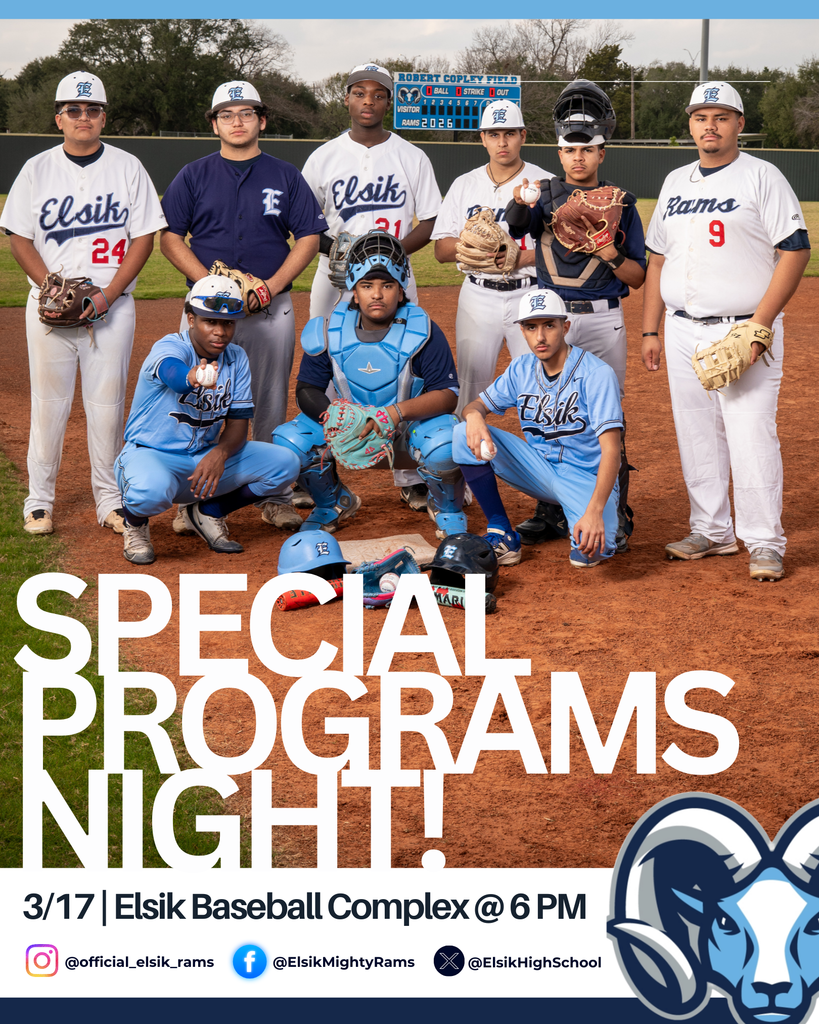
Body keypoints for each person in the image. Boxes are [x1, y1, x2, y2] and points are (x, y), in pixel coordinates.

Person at [642, 82, 810, 582]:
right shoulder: (675, 181)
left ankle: (764, 541)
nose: (709, 125)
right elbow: (658, 259)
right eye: (700, 117)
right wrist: (650, 329)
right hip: (679, 328)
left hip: (742, 328)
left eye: (720, 116)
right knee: (696, 433)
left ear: (739, 123)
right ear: (690, 125)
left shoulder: (763, 176)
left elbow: (795, 250)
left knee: (750, 433)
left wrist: (761, 325)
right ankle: (712, 531)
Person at [0, 71, 166, 536]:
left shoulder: (129, 167)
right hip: (49, 311)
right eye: (74, 109)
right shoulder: (36, 168)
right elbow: (19, 237)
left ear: (103, 117)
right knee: (47, 403)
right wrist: (52, 287)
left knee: (107, 406)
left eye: (92, 109)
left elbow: (144, 238)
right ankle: (39, 500)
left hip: (113, 310)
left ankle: (109, 500)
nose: (83, 117)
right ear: (59, 118)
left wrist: (108, 295)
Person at [159, 80, 326, 531]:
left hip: (270, 307)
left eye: (247, 113)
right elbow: (170, 237)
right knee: (197, 398)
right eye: (228, 115)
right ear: (214, 124)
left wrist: (270, 285)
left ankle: (271, 494)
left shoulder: (285, 175)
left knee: (269, 399)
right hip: (207, 308)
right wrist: (210, 284)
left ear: (262, 120)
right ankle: (190, 498)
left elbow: (308, 237)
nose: (238, 121)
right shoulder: (193, 174)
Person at [504, 79, 645, 553]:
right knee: (546, 412)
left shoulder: (622, 203)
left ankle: (617, 511)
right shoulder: (541, 194)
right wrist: (520, 200)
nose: (577, 158)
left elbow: (639, 275)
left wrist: (608, 252)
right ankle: (552, 508)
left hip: (604, 318)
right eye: (569, 150)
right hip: (553, 317)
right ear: (559, 153)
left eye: (587, 150)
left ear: (601, 152)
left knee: (607, 418)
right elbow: (516, 226)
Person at [301, 62, 442, 513]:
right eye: (359, 93)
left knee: (404, 370)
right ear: (346, 99)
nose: (368, 101)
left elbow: (433, 220)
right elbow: (303, 222)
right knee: (326, 366)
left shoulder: (410, 155)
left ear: (389, 102)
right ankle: (325, 470)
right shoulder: (323, 156)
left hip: (394, 279)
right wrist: (342, 254)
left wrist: (388, 257)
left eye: (378, 94)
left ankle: (408, 473)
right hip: (333, 277)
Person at [272, 231, 466, 539]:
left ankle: (446, 507)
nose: (377, 294)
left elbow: (447, 396)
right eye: (367, 286)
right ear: (354, 291)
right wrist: (335, 418)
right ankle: (332, 503)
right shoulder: (328, 329)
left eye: (387, 285)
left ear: (401, 291)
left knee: (446, 442)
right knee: (290, 442)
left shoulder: (424, 331)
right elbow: (306, 388)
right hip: (351, 433)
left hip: (406, 435)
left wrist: (394, 413)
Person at [114, 275, 300, 565]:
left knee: (285, 464)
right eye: (210, 321)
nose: (220, 332)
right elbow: (173, 374)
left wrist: (220, 453)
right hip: (151, 456)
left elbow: (238, 423)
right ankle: (135, 525)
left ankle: (207, 512)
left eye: (227, 323)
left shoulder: (237, 358)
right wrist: (194, 376)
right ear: (191, 319)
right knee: (150, 492)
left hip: (201, 462)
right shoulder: (169, 346)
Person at [453, 289, 622, 568]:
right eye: (531, 327)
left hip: (584, 478)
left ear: (565, 327)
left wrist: (594, 511)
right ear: (522, 331)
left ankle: (598, 514)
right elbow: (475, 406)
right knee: (462, 433)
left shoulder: (596, 374)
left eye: (549, 326)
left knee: (589, 553)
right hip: (538, 469)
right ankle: (501, 532)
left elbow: (611, 451)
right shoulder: (521, 368)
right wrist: (474, 417)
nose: (540, 337)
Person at [431, 99, 553, 416]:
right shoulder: (464, 185)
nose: (502, 142)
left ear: (523, 136)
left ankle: (547, 460)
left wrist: (523, 258)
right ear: (482, 138)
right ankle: (464, 462)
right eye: (494, 134)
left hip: (531, 295)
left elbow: (565, 250)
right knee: (469, 387)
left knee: (541, 384)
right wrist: (473, 250)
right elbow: (441, 249)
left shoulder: (547, 183)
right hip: (477, 295)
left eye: (509, 133)